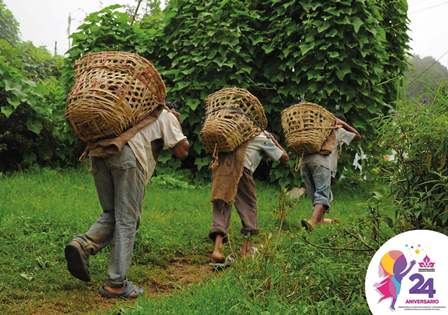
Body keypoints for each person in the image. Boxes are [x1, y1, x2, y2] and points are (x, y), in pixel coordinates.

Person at [64, 107, 189, 299]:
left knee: (111, 213)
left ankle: (82, 244)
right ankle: (116, 284)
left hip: (99, 153)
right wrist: (176, 124)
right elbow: (182, 150)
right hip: (128, 157)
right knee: (127, 220)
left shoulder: (127, 112)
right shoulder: (166, 115)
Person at [209, 131, 289, 263]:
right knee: (248, 207)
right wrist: (274, 141)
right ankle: (246, 250)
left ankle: (217, 250)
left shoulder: (237, 132)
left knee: (222, 205)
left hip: (221, 167)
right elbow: (284, 157)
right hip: (241, 169)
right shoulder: (263, 137)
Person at [301, 117, 361, 230]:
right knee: (322, 194)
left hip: (305, 162)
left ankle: (320, 220)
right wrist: (343, 123)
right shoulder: (337, 130)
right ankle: (312, 222)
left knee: (316, 195)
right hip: (321, 163)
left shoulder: (315, 130)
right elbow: (358, 136)